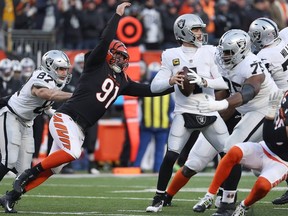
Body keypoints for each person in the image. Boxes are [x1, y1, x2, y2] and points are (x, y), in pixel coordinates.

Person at [3, 2, 174, 213]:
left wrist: (173, 84)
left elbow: (151, 91)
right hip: (66, 118)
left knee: (52, 168)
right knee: (72, 153)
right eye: (118, 55)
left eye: (124, 58)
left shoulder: (124, 81)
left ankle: (11, 196)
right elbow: (104, 40)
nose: (121, 60)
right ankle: (27, 173)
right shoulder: (96, 63)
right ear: (109, 54)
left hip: (80, 127)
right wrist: (117, 15)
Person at [146, 13, 230, 213]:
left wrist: (204, 81)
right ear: (184, 32)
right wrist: (170, 80)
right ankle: (159, 196)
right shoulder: (170, 55)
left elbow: (223, 82)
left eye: (201, 29)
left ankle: (226, 194)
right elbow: (154, 86)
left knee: (229, 154)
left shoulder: (210, 52)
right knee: (170, 156)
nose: (201, 33)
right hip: (184, 113)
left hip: (208, 110)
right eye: (196, 29)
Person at [192, 29, 279, 216]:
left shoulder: (251, 64)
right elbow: (224, 87)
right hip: (244, 109)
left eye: (229, 52)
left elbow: (248, 92)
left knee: (232, 149)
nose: (224, 55)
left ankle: (226, 203)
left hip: (265, 108)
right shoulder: (221, 60)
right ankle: (224, 196)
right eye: (223, 51)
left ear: (242, 50)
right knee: (228, 150)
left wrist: (223, 103)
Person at [0, 49, 73, 212]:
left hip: (27, 122)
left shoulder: (57, 83)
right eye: (61, 69)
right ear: (50, 67)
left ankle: (8, 199)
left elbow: (44, 104)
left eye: (66, 69)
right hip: (11, 115)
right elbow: (42, 93)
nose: (64, 72)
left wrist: (55, 113)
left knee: (24, 171)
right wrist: (73, 96)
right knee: (9, 159)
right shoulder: (41, 76)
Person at [198, 89, 286, 216]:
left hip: (282, 162)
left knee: (263, 186)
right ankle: (210, 195)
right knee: (233, 151)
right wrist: (270, 115)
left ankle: (244, 206)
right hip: (265, 148)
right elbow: (268, 137)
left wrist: (270, 116)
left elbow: (274, 137)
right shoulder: (285, 97)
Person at [248, 17, 288, 205]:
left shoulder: (264, 56)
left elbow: (262, 83)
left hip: (281, 100)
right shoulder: (282, 43)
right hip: (283, 95)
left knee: (274, 144)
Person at [133, 62, 174, 173]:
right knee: (154, 150)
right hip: (156, 125)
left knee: (150, 149)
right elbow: (172, 109)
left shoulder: (146, 87)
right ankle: (150, 168)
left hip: (153, 124)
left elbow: (172, 108)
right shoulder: (165, 89)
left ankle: (140, 168)